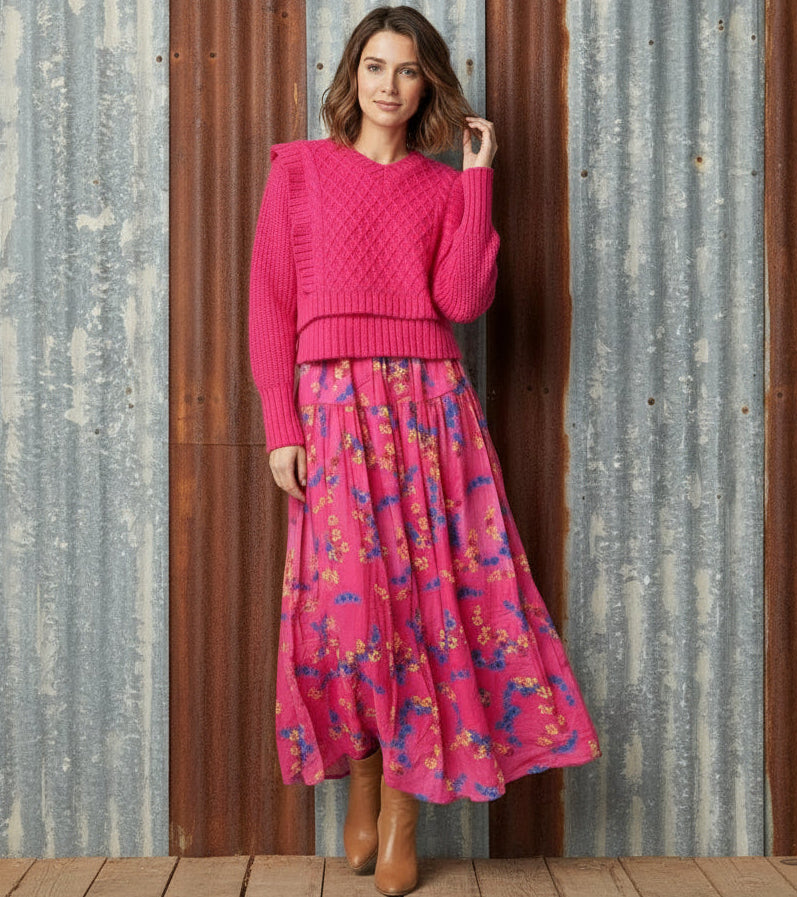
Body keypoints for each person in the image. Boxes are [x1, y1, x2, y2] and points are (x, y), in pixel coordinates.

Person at [248, 6, 600, 895]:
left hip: (428, 408)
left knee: (426, 611)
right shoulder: (299, 171)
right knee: (350, 613)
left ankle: (403, 814)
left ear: (427, 84)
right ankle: (362, 779)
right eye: (375, 65)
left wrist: (477, 179)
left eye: (407, 71)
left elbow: (464, 297)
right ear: (351, 74)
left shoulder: (444, 189)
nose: (388, 85)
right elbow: (270, 306)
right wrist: (281, 426)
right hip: (333, 404)